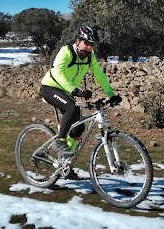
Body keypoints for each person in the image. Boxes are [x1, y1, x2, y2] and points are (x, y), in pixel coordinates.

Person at [40, 25, 122, 157]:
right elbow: (58, 73)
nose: (90, 47)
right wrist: (75, 90)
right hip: (50, 88)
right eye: (87, 43)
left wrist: (111, 95)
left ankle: (65, 164)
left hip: (67, 92)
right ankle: (59, 141)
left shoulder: (90, 56)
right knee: (71, 107)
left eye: (92, 44)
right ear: (78, 41)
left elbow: (99, 75)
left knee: (79, 127)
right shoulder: (66, 51)